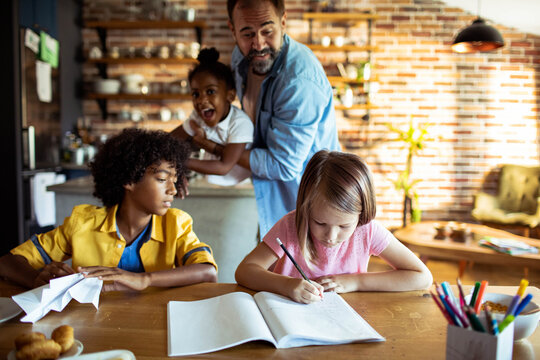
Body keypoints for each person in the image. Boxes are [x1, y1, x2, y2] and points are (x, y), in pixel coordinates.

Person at [184, 0, 340, 237]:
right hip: (272, 198)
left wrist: (218, 149)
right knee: (270, 270)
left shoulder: (299, 81)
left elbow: (283, 165)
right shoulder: (240, 58)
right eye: (247, 33)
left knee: (306, 274)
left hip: (313, 208)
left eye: (267, 31)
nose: (258, 44)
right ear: (232, 29)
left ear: (283, 22)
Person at [0, 129, 217, 291]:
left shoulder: (176, 224)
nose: (172, 189)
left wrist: (144, 279)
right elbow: (8, 262)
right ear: (129, 180)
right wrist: (37, 280)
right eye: (162, 179)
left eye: (175, 180)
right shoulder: (83, 223)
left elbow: (208, 272)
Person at [235, 150, 433, 304]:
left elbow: (421, 277)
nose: (331, 235)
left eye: (344, 226)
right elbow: (245, 270)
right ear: (306, 209)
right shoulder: (291, 225)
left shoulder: (367, 230)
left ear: (361, 215)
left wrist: (355, 282)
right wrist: (287, 285)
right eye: (320, 223)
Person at [170, 47, 253, 186]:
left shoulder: (240, 123)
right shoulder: (197, 117)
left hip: (240, 186)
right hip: (211, 182)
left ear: (230, 96)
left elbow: (223, 166)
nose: (201, 100)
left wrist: (180, 161)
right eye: (196, 94)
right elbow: (170, 141)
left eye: (210, 91)